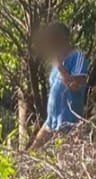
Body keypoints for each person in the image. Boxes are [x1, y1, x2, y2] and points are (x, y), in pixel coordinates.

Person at [31, 21, 90, 149]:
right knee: (32, 152)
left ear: (61, 39)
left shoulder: (77, 57)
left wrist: (59, 66)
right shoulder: (55, 62)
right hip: (50, 122)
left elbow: (75, 85)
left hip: (68, 125)